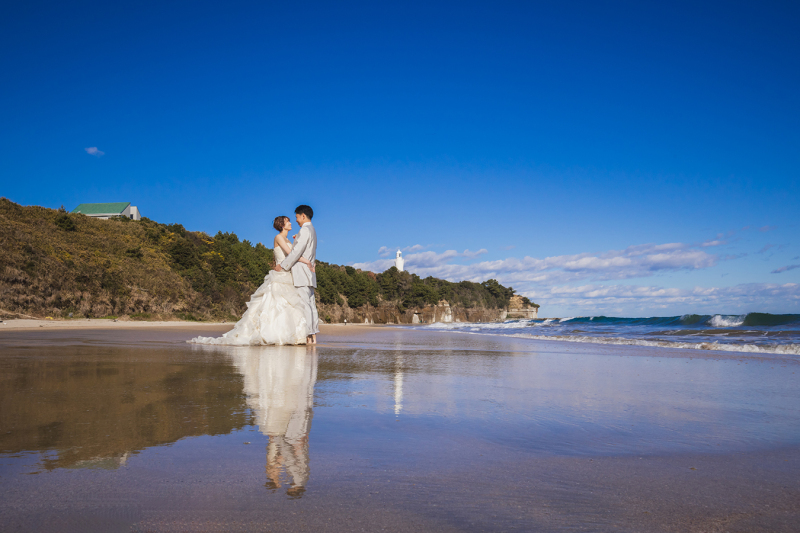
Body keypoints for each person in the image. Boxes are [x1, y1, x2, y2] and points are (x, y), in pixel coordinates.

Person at [189, 215, 315, 345]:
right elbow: (291, 254)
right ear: (282, 225)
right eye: (288, 221)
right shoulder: (278, 237)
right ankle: (274, 335)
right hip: (280, 274)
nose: (291, 223)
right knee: (275, 304)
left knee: (290, 306)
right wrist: (307, 261)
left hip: (288, 274)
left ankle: (292, 335)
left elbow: (294, 252)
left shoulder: (287, 239)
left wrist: (295, 242)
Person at [274, 205, 319, 344]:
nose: (296, 220)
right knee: (311, 305)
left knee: (305, 305)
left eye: (297, 217)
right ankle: (313, 336)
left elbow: (296, 252)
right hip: (309, 273)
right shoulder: (312, 230)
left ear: (303, 216)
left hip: (302, 272)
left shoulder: (305, 230)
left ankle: (309, 335)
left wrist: (283, 265)